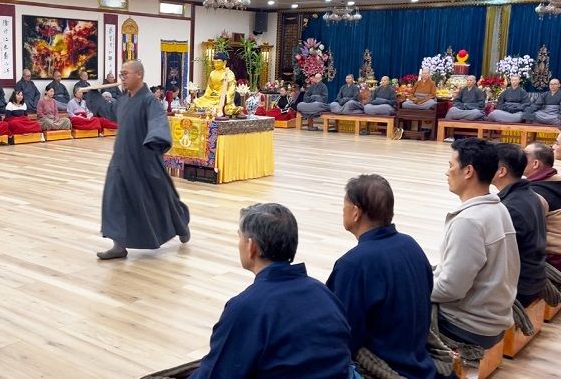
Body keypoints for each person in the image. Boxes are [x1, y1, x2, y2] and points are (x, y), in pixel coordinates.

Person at [190, 203, 352, 378]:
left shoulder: (245, 308)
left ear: (251, 246)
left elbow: (218, 374)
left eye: (240, 237)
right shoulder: (325, 294)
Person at [326, 175, 435, 378]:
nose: (342, 210)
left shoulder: (354, 264)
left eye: (345, 204)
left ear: (356, 212)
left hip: (386, 368)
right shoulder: (411, 245)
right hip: (419, 362)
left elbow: (344, 334)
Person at [82, 60, 190, 259]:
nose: (122, 78)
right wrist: (94, 95)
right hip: (121, 160)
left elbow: (158, 121)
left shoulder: (149, 100)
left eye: (125, 74)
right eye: (120, 74)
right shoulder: (124, 100)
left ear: (139, 75)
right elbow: (109, 111)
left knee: (162, 199)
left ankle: (181, 225)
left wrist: (156, 139)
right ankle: (119, 245)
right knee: (114, 198)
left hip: (145, 160)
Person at [433, 138, 519, 349]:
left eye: (451, 166)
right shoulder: (499, 208)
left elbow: (450, 290)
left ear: (468, 171)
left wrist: (413, 285)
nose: (447, 172)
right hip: (493, 320)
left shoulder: (468, 222)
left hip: (467, 326)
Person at [492, 143, 547, 307]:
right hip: (533, 279)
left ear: (501, 171)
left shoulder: (509, 207)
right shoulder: (529, 195)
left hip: (520, 288)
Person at [525, 140, 561, 271]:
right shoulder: (555, 180)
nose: (554, 147)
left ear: (535, 163)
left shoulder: (537, 194)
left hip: (553, 260)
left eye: (524, 155)